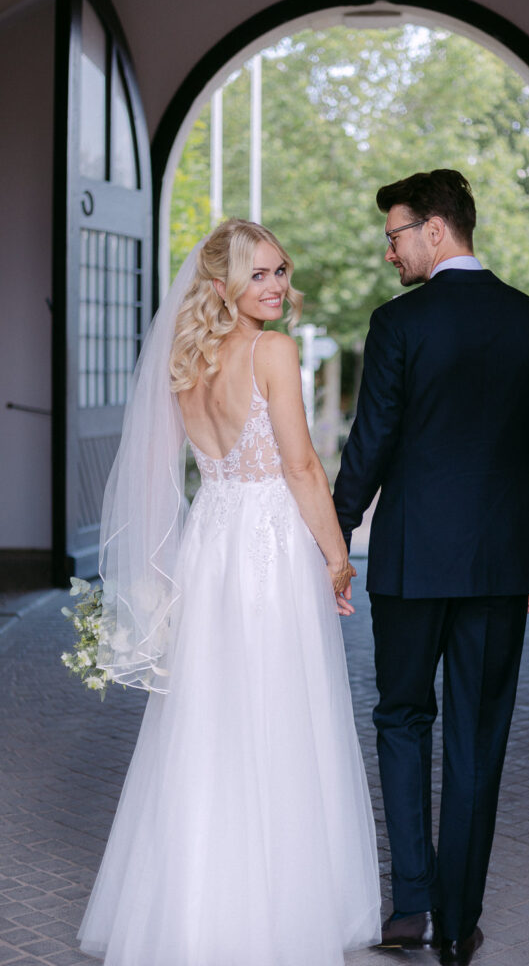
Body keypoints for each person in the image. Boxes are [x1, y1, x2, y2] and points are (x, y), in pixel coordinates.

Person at [77, 219, 381, 966]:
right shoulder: (270, 352)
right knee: (278, 715)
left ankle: (189, 910)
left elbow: (162, 472)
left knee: (207, 722)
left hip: (210, 548)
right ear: (221, 287)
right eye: (259, 276)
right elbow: (304, 469)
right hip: (270, 552)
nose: (276, 287)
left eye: (280, 270)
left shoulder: (185, 361)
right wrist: (338, 560)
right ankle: (273, 916)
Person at [333, 169, 529, 966]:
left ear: (436, 230)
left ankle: (409, 907)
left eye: (395, 233)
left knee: (402, 720)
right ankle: (458, 925)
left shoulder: (399, 324)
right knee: (476, 735)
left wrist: (334, 536)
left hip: (407, 562)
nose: (389, 250)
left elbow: (371, 442)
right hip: (501, 562)